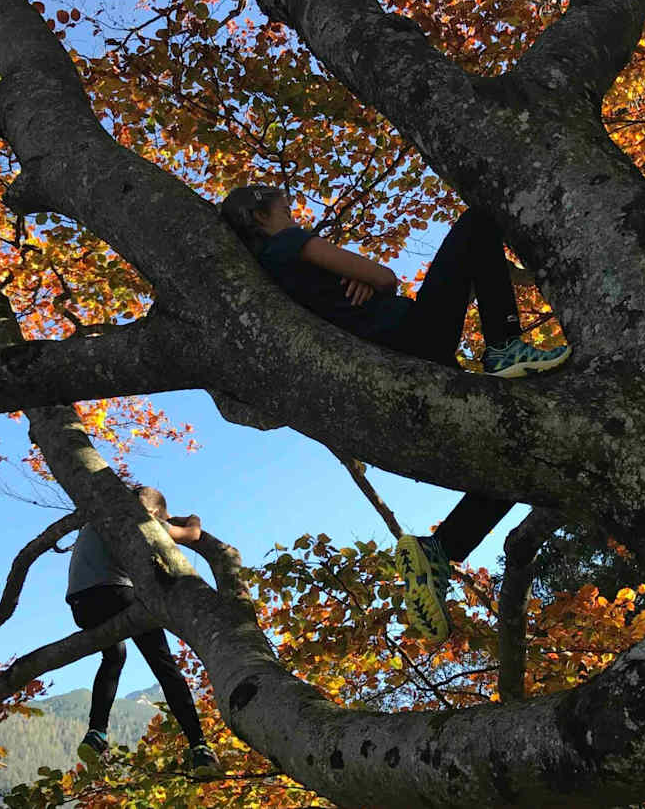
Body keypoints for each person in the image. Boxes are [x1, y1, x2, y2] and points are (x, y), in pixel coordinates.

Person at [218, 184, 570, 643]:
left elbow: (343, 294)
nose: (292, 211)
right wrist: (370, 279)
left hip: (387, 361)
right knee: (478, 222)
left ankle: (441, 550)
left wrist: (358, 284)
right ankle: (504, 346)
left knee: (520, 460)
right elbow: (385, 277)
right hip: (407, 336)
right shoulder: (288, 244)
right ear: (261, 216)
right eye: (284, 206)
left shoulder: (270, 278)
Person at [67, 486, 221, 778]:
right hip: (117, 595)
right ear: (153, 513)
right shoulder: (137, 518)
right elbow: (192, 535)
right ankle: (199, 746)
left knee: (114, 656)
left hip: (81, 605)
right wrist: (191, 518)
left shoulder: (99, 518)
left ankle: (96, 733)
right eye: (160, 517)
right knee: (164, 665)